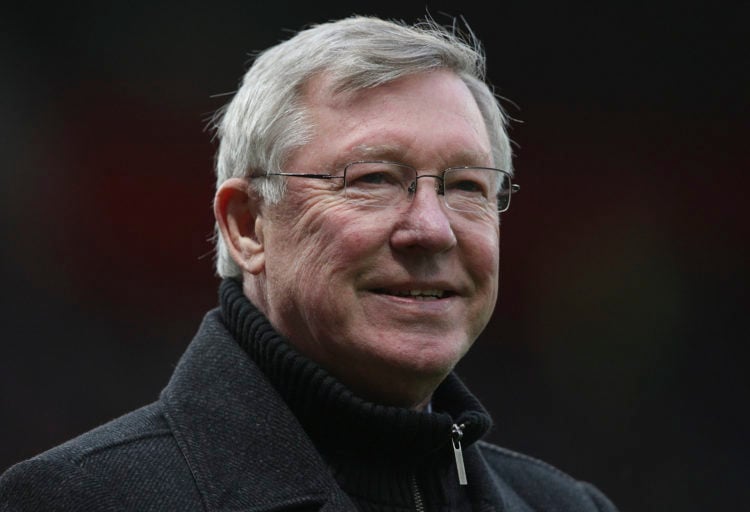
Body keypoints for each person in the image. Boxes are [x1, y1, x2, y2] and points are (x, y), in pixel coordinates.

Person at [0, 15, 619, 511]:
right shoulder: (79, 499)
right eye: (374, 178)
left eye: (466, 187)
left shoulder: (569, 505)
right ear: (247, 225)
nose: (432, 229)